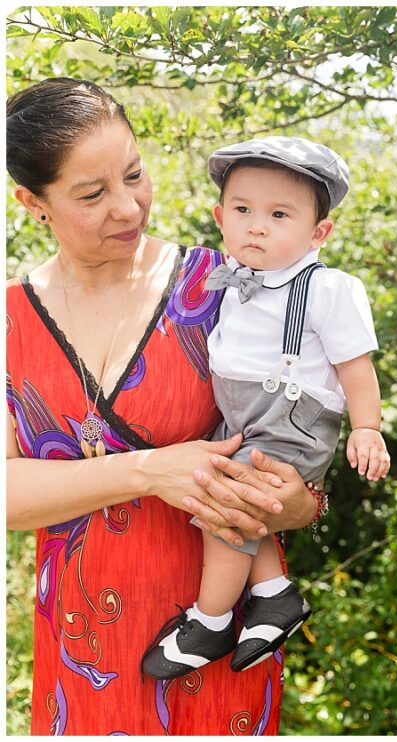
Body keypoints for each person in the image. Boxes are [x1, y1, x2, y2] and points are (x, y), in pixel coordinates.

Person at [6, 77, 316, 734]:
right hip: (81, 645)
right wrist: (147, 470)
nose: (128, 207)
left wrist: (300, 502)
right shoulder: (10, 321)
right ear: (33, 202)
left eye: (134, 175)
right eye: (92, 195)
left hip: (218, 638)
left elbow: (299, 452)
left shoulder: (226, 286)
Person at [139, 137, 389, 679]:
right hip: (243, 416)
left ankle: (211, 619)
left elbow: (356, 366)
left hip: (289, 419)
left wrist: (367, 427)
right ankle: (274, 595)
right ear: (219, 217)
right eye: (243, 210)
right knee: (243, 500)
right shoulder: (230, 281)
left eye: (279, 214)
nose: (257, 226)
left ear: (318, 232)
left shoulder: (327, 288)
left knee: (230, 503)